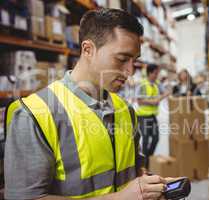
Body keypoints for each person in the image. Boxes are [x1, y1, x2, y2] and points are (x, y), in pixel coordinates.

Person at [4, 8, 173, 200]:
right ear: (88, 50)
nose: (129, 71)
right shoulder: (34, 115)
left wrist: (148, 186)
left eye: (134, 61)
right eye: (122, 59)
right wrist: (121, 198)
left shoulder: (125, 109)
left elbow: (134, 168)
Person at [136, 64, 170, 168]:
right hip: (143, 116)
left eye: (157, 73)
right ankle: (144, 166)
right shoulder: (142, 84)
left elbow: (166, 92)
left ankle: (148, 159)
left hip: (153, 116)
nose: (157, 75)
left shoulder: (157, 84)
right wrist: (154, 101)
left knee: (156, 138)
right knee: (145, 140)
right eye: (155, 73)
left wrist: (164, 94)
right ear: (150, 73)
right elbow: (140, 101)